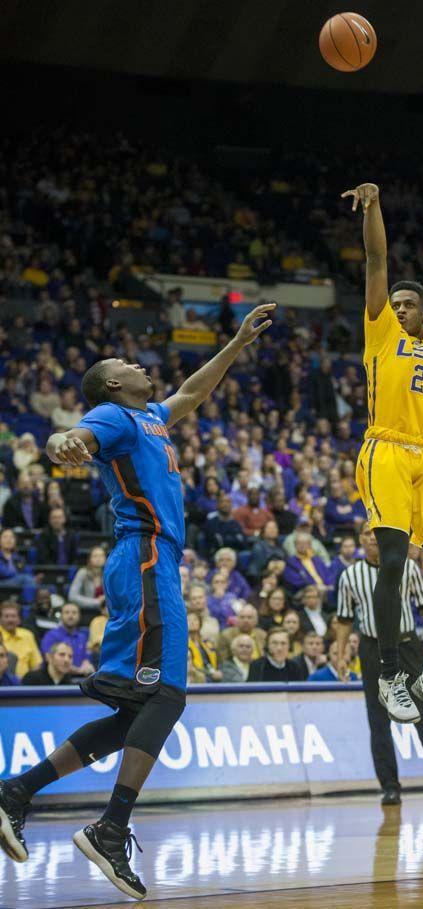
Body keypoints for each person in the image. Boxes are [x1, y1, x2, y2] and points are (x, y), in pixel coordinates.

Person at [0, 303, 275, 900]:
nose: (137, 364)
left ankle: (16, 792)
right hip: (147, 555)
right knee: (168, 695)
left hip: (151, 562)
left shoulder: (149, 416)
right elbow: (73, 435)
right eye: (126, 363)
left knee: (136, 712)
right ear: (114, 383)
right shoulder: (113, 414)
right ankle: (111, 828)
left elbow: (192, 393)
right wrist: (61, 441)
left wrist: (234, 344)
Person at [341, 181, 423, 725]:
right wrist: (375, 207)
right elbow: (375, 259)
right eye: (397, 303)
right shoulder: (380, 334)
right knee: (393, 560)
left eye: (409, 304)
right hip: (384, 449)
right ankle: (391, 675)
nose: (401, 308)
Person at [335, 522, 423, 805]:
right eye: (367, 533)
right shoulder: (350, 576)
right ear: (360, 540)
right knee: (378, 721)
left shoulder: (410, 569)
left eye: (376, 532)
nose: (373, 538)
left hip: (407, 646)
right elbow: (343, 620)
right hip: (371, 648)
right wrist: (342, 655)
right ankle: (390, 786)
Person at [40, 603, 94, 677]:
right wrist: (78, 671)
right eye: (67, 612)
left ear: (79, 616)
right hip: (58, 679)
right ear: (61, 616)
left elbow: (86, 659)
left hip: (80, 679)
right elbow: (49, 658)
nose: (70, 616)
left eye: (74, 613)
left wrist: (86, 666)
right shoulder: (51, 635)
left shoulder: (82, 637)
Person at [0, 601, 42, 679]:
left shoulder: (28, 635)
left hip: (26, 685)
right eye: (6, 616)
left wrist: (30, 680)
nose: (10, 620)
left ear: (19, 619)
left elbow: (36, 665)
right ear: (0, 618)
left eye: (13, 616)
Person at [68, 547, 107, 619]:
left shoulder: (108, 574)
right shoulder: (82, 573)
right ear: (89, 559)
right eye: (95, 556)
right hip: (86, 613)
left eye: (101, 555)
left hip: (106, 613)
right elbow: (72, 596)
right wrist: (97, 602)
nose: (99, 558)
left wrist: (105, 599)